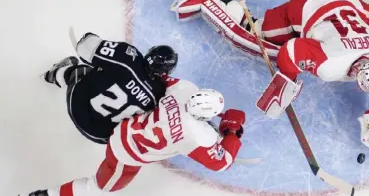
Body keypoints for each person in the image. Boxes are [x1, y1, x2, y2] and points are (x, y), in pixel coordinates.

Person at [172, 0, 369, 154]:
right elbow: (290, 51)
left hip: (347, 2)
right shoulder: (331, 63)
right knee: (254, 34)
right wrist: (285, 82)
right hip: (307, 5)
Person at [20, 77, 246, 196]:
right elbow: (221, 162)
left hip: (123, 128)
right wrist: (232, 131)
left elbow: (161, 81)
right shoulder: (198, 136)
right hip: (125, 155)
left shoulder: (185, 90)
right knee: (99, 189)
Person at [43, 32, 178, 144]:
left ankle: (51, 75)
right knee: (108, 74)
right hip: (102, 136)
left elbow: (85, 46)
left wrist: (90, 38)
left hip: (79, 110)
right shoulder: (158, 95)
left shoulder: (129, 57)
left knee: (83, 70)